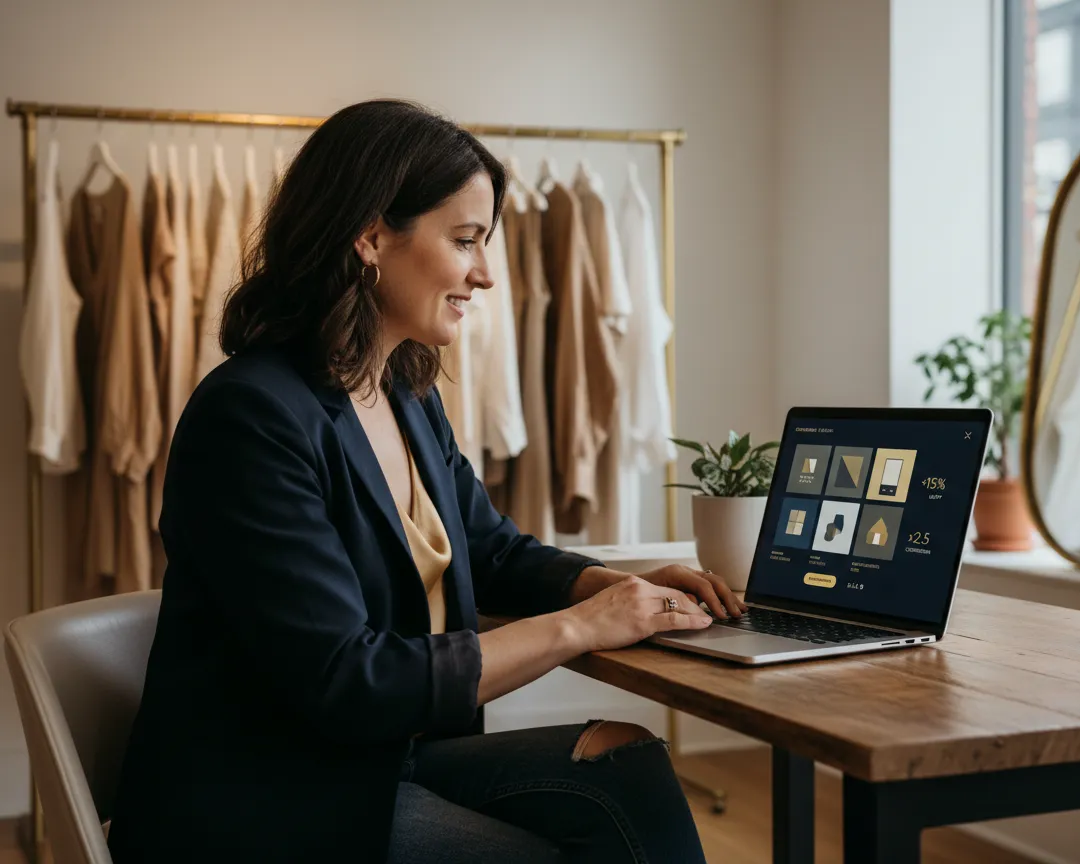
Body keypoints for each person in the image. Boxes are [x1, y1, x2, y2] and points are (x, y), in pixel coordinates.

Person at [107, 99, 747, 864]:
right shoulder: (249, 416)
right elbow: (347, 679)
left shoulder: (405, 391)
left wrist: (624, 585)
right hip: (270, 802)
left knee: (628, 765)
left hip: (382, 763)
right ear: (372, 235)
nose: (484, 274)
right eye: (466, 241)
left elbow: (491, 551)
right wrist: (581, 626)